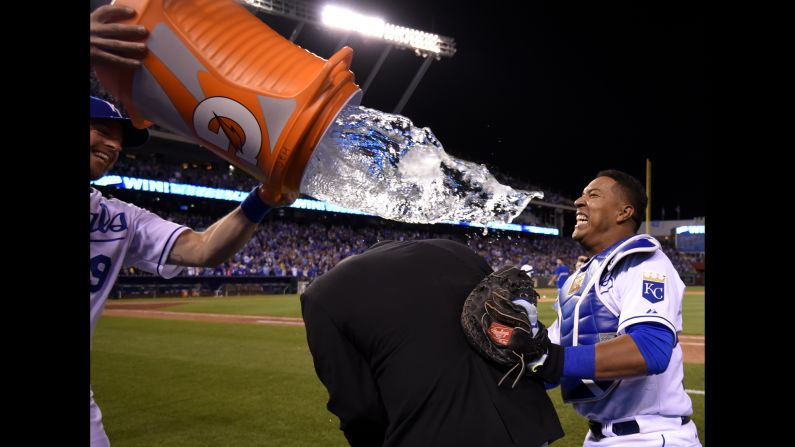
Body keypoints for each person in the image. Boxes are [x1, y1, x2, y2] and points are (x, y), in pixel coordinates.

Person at [90, 6, 284, 445]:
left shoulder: (116, 216)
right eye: (100, 129)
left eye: (120, 140)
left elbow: (200, 250)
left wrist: (263, 200)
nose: (113, 144)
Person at [301, 239, 564, 447]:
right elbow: (505, 336)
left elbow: (358, 408)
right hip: (527, 424)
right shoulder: (455, 250)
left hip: (435, 433)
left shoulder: (321, 294)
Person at [529, 170, 701, 446]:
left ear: (624, 212)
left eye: (592, 194)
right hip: (597, 436)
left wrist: (552, 359)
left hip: (649, 437)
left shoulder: (644, 262)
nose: (578, 201)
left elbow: (650, 350)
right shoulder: (577, 281)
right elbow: (549, 363)